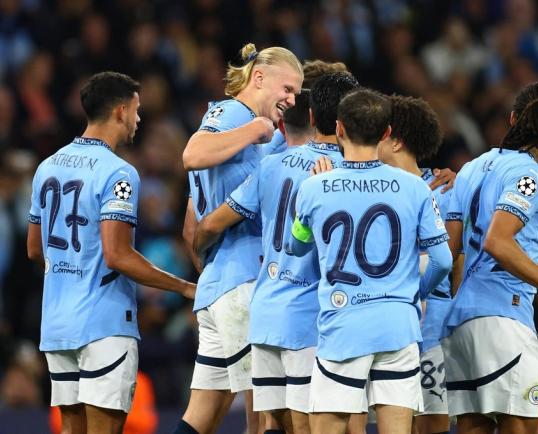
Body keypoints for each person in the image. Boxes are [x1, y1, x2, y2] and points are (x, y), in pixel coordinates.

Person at [26, 71, 196, 434]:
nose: (139, 119)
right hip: (103, 325)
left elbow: (34, 249)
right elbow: (117, 255)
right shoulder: (119, 173)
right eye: (136, 110)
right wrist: (184, 287)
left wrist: (70, 271)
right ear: (120, 111)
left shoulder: (46, 167)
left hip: (57, 323)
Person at [193, 70, 359, 434]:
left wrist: (200, 254)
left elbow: (209, 225)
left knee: (271, 423)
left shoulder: (271, 164)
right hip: (312, 317)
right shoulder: (347, 175)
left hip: (266, 312)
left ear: (312, 115)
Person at [290, 89, 453, 434]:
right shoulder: (416, 188)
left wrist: (307, 208)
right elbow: (442, 260)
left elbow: (296, 247)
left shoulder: (314, 187)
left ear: (339, 129)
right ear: (386, 133)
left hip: (343, 326)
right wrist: (416, 293)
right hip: (398, 326)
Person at [442, 81, 538, 434]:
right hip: (504, 321)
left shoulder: (470, 169)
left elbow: (449, 252)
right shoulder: (530, 175)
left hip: (461, 325)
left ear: (512, 119)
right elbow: (497, 241)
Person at [175, 43, 303, 434]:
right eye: (287, 89)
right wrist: (255, 129)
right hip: (246, 284)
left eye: (297, 93)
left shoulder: (262, 136)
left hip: (219, 288)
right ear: (258, 78)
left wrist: (211, 270)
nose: (292, 100)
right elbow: (192, 154)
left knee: (200, 418)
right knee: (266, 416)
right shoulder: (237, 115)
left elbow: (191, 227)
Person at [377, 95, 462, 434]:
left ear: (396, 141)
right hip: (388, 321)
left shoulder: (445, 189)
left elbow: (455, 260)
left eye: (380, 133)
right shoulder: (371, 190)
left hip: (433, 326)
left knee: (430, 421)